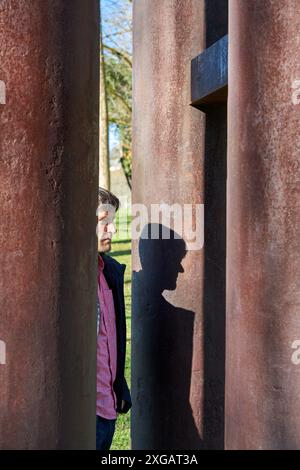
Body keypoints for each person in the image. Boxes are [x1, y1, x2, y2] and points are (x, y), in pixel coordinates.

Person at [96, 187, 132, 451]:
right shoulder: (61, 279)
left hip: (108, 411)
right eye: (104, 223)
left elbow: (111, 341)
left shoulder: (110, 273)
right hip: (79, 416)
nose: (112, 231)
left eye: (113, 223)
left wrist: (120, 387)